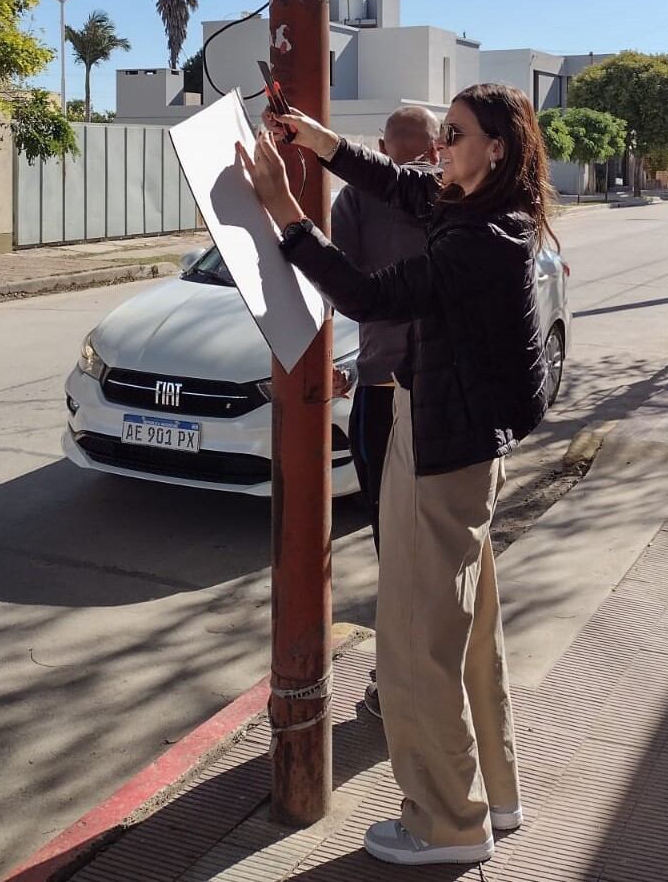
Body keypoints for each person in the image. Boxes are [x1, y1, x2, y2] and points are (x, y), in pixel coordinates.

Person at [237, 82, 553, 866]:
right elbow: (406, 183)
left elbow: (370, 296)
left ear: (497, 151)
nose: (437, 150)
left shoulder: (480, 240)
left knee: (417, 642)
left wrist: (285, 212)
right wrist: (324, 143)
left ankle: (446, 823)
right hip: (459, 439)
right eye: (440, 134)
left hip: (445, 447)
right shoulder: (481, 209)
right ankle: (495, 795)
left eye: (453, 136)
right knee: (468, 631)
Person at [330, 106, 440, 720]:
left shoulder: (361, 199)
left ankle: (399, 680)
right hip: (428, 391)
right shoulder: (457, 197)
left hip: (389, 390)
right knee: (432, 541)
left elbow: (337, 282)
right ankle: (415, 673)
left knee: (393, 540)